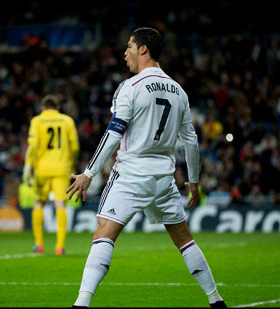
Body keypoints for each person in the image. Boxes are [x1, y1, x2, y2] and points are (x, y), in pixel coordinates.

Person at [67, 27, 227, 308]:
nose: (124, 52)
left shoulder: (130, 87)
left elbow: (114, 134)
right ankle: (215, 299)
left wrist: (88, 173)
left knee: (103, 232)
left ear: (143, 49)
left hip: (130, 174)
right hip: (164, 178)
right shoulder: (179, 91)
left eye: (129, 46)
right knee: (184, 239)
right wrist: (193, 181)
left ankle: (81, 303)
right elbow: (190, 141)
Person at [23, 95, 79, 255]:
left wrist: (28, 165)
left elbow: (33, 146)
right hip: (62, 168)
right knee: (60, 205)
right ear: (58, 108)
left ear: (42, 107)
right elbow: (74, 147)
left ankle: (38, 244)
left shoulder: (37, 121)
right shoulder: (67, 121)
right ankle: (60, 246)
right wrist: (72, 164)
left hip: (42, 169)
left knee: (39, 203)